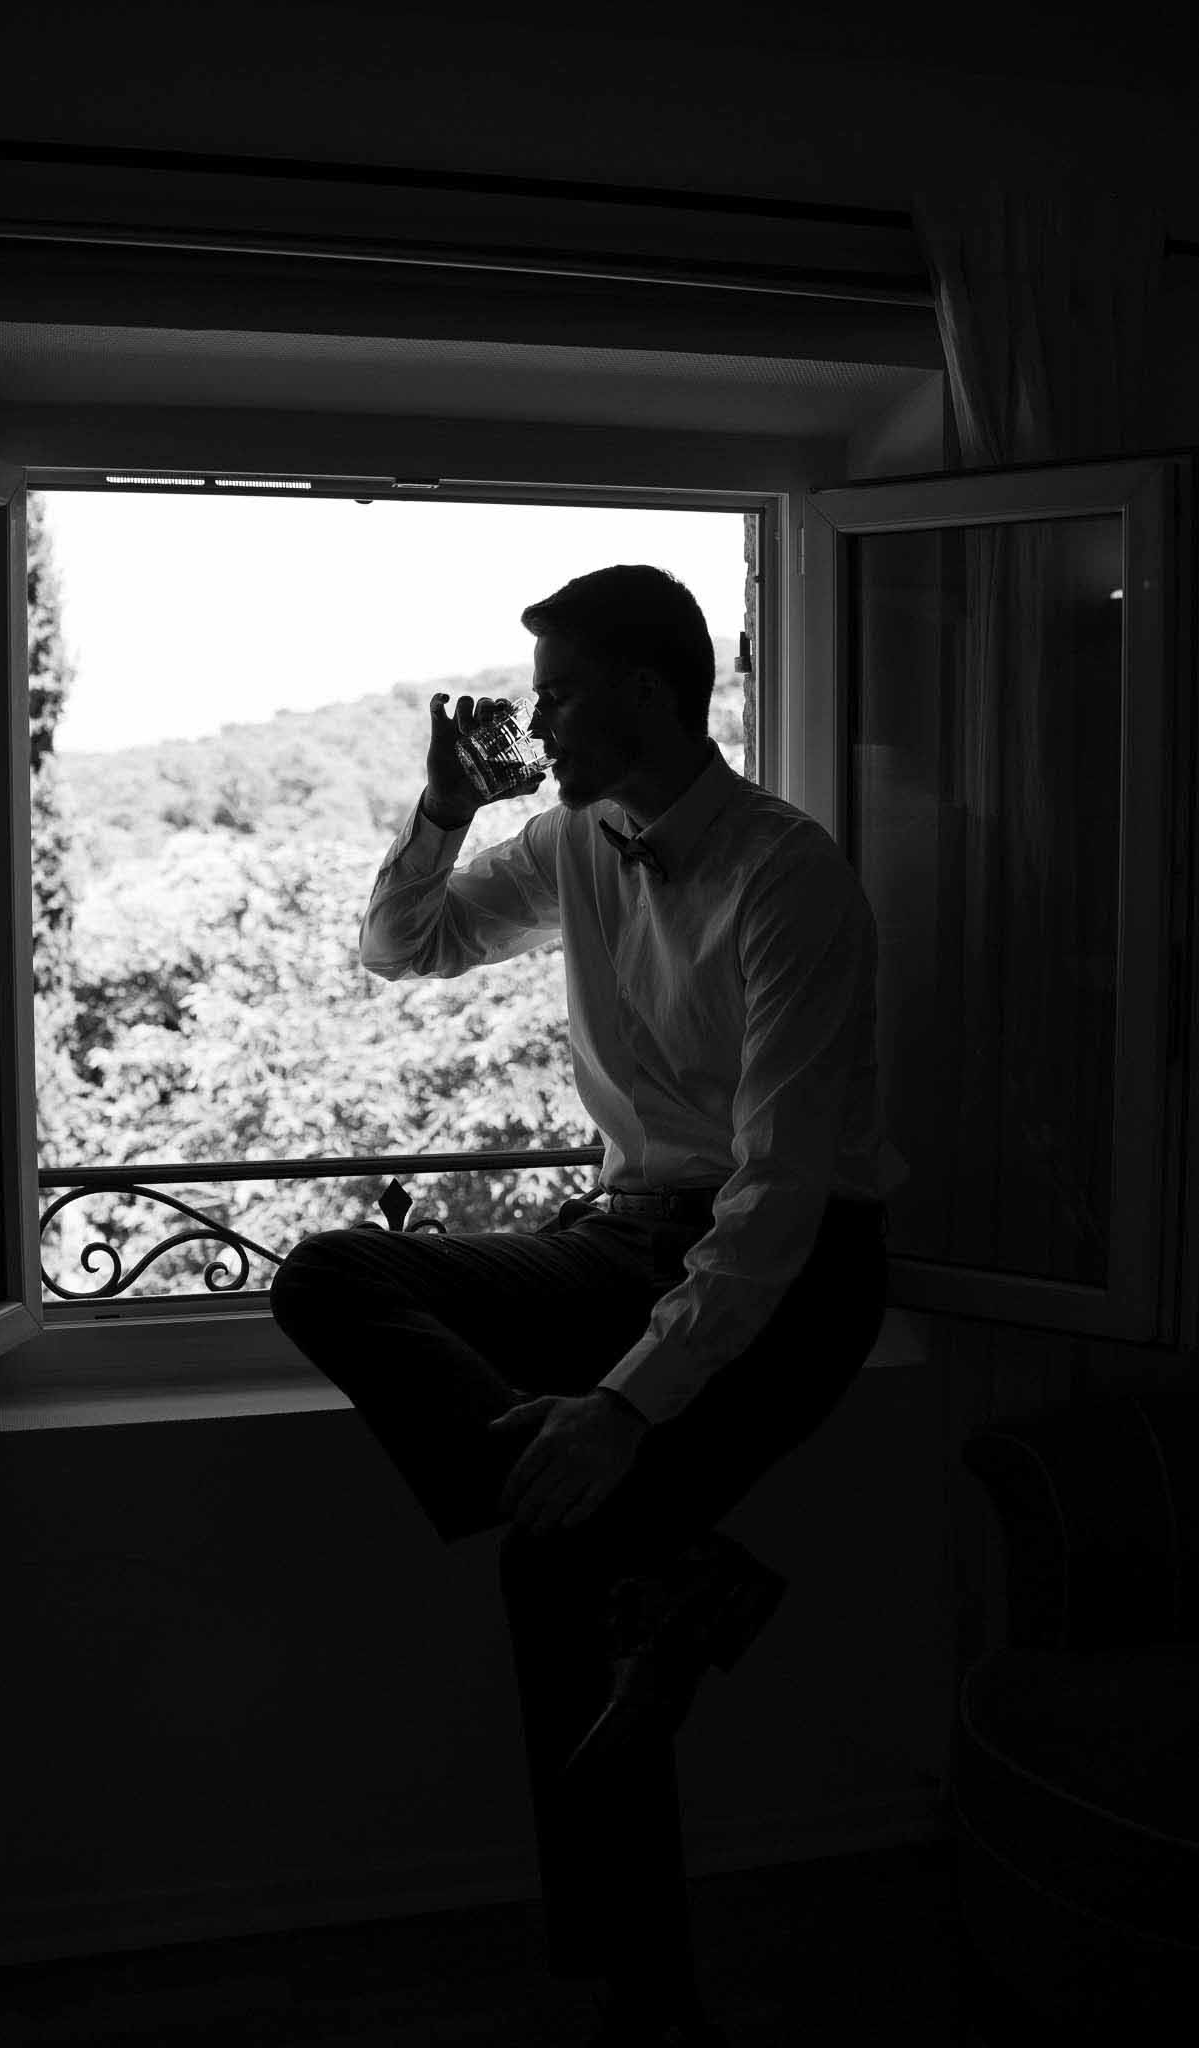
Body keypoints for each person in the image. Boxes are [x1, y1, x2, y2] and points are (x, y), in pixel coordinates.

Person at [270, 564, 905, 2048]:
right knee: (330, 1274)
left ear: (637, 691)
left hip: (793, 1275)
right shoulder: (567, 840)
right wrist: (444, 813)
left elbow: (776, 1196)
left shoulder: (785, 874)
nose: (535, 721)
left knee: (556, 1568)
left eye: (555, 692)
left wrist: (624, 1408)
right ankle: (673, 1573)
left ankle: (645, 1997)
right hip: (621, 1244)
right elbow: (402, 947)